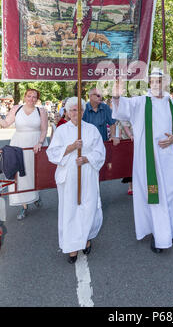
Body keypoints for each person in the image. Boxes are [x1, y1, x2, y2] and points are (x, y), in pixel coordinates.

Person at [111, 68, 173, 254]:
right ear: (149, 83)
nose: (156, 84)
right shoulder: (141, 101)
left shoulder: (171, 103)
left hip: (169, 156)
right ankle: (159, 234)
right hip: (148, 157)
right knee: (154, 194)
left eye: (160, 81)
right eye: (153, 81)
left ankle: (169, 230)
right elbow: (122, 109)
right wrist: (116, 96)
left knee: (171, 193)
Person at [46, 97, 106, 264]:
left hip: (87, 174)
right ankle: (71, 245)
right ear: (67, 112)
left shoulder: (91, 129)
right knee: (70, 209)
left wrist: (86, 158)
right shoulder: (61, 130)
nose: (76, 113)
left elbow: (100, 152)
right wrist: (71, 148)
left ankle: (85, 238)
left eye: (79, 110)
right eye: (72, 110)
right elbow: (52, 153)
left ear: (83, 111)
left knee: (87, 207)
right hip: (69, 176)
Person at [0, 89, 48, 220]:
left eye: (34, 97)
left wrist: (40, 142)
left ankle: (34, 196)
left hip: (35, 146)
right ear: (24, 96)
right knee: (20, 175)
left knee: (33, 174)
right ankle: (24, 205)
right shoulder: (16, 108)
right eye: (29, 96)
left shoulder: (41, 111)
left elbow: (44, 130)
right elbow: (5, 124)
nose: (31, 99)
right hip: (18, 145)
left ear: (37, 99)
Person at [116, 120, 134, 195]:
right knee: (130, 164)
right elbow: (123, 126)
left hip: (138, 140)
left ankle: (138, 186)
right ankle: (131, 187)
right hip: (128, 141)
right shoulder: (124, 114)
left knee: (137, 164)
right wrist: (130, 136)